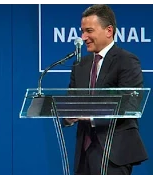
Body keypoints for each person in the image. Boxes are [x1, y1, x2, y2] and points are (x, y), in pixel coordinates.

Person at [63, 4, 148, 175]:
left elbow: (129, 104)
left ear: (109, 31)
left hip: (114, 152)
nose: (83, 37)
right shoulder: (80, 65)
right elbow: (70, 101)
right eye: (82, 31)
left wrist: (90, 114)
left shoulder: (127, 60)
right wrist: (67, 114)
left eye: (89, 31)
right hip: (84, 153)